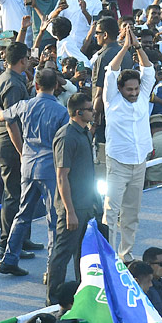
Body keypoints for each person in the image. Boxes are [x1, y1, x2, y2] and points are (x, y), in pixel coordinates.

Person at [0, 67, 69, 275]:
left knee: (22, 213)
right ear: (56, 86)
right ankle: (52, 267)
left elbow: (2, 116)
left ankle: (9, 257)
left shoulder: (25, 105)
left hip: (28, 164)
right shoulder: (61, 111)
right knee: (53, 218)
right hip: (49, 168)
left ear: (36, 85)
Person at [101, 25, 157, 260]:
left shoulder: (143, 95)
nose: (134, 92)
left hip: (139, 163)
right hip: (118, 162)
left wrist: (138, 47)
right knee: (111, 213)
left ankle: (126, 254)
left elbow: (149, 70)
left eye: (136, 89)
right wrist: (125, 47)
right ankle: (108, 255)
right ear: (120, 89)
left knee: (132, 214)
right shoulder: (111, 98)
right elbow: (111, 72)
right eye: (130, 90)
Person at [49, 92, 100, 296]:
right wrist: (69, 211)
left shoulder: (85, 132)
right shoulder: (66, 136)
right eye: (90, 109)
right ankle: (53, 299)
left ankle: (83, 293)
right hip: (72, 206)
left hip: (87, 204)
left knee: (84, 253)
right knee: (62, 254)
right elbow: (62, 177)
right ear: (79, 112)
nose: (93, 112)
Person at [0, 42, 32, 265]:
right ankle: (7, 243)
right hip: (10, 144)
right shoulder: (13, 84)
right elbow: (11, 122)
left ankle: (22, 238)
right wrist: (22, 151)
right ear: (22, 60)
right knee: (12, 195)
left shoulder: (8, 78)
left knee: (21, 193)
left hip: (8, 142)